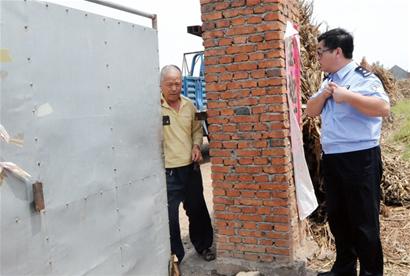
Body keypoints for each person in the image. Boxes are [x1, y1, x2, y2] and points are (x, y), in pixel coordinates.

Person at [306, 28, 390, 276]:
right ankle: (343, 269)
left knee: (364, 223)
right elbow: (311, 111)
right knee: (339, 218)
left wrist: (348, 96)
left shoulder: (363, 78)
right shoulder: (327, 81)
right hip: (333, 159)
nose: (318, 57)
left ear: (338, 52)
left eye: (321, 52)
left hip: (360, 159)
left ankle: (371, 273)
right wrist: (324, 94)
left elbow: (383, 108)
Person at [160, 64, 215, 264]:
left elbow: (196, 130)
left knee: (197, 210)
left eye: (177, 83)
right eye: (169, 84)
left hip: (190, 169)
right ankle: (176, 257)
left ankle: (204, 246)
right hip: (168, 173)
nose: (174, 88)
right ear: (161, 85)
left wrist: (197, 146)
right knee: (171, 218)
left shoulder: (188, 105)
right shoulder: (154, 108)